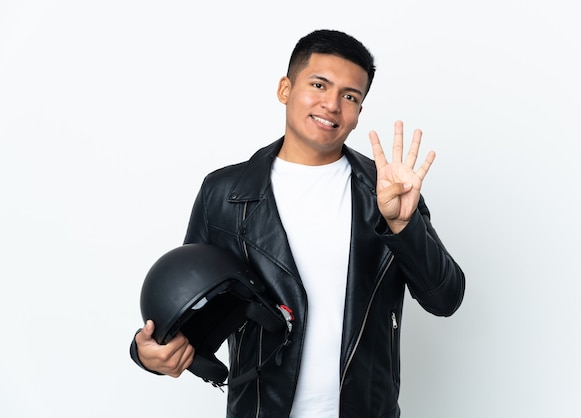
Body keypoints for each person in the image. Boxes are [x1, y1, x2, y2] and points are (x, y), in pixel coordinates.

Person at [130, 29, 465, 418]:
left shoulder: (386, 191)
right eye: (319, 84)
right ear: (285, 89)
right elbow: (188, 308)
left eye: (350, 96)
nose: (332, 105)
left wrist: (403, 226)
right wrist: (148, 353)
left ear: (359, 112)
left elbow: (446, 299)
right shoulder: (225, 192)